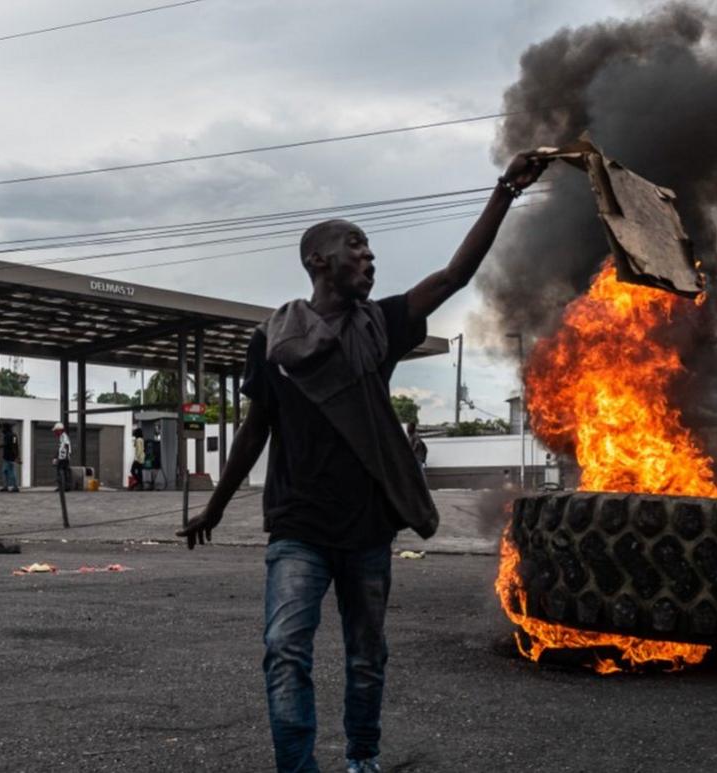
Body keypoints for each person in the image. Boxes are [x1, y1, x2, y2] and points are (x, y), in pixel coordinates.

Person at [176, 152, 546, 773]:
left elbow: (454, 275)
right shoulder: (273, 339)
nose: (369, 259)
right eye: (357, 248)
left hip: (368, 529)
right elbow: (255, 428)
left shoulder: (383, 325)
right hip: (298, 528)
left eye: (372, 252)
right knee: (284, 650)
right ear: (318, 261)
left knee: (365, 656)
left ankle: (363, 760)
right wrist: (214, 505)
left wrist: (504, 192)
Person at [0, 423, 20, 492]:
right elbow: (15, 445)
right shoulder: (14, 436)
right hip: (11, 456)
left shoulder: (7, 436)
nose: (1, 429)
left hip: (8, 457)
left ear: (5, 428)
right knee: (7, 471)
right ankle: (7, 486)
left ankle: (14, 487)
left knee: (9, 472)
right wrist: (17, 456)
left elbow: (6, 445)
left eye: (2, 428)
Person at [52, 422, 72, 492]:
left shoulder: (63, 436)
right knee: (65, 472)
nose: (55, 433)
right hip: (63, 457)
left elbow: (66, 446)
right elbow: (60, 448)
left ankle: (62, 487)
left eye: (56, 431)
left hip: (63, 458)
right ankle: (66, 487)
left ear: (59, 430)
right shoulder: (62, 436)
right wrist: (56, 456)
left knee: (60, 472)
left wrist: (63, 457)